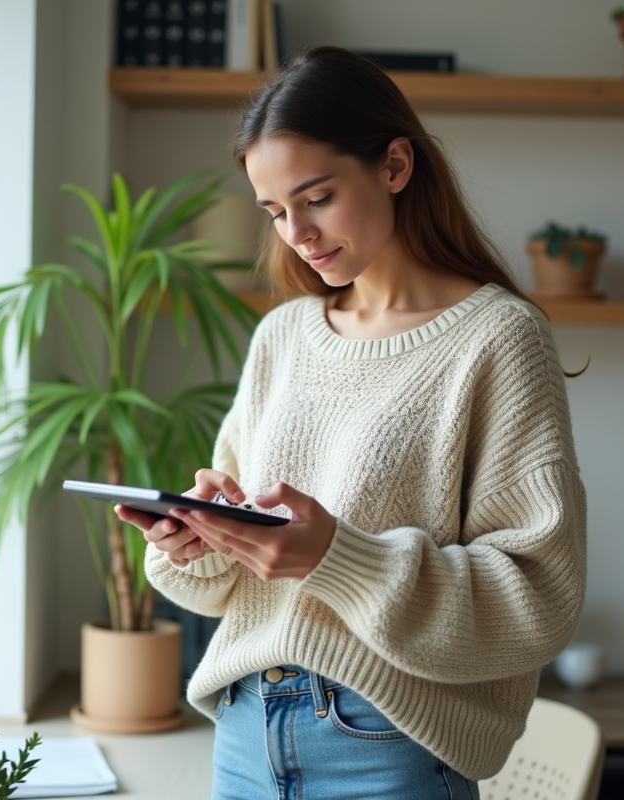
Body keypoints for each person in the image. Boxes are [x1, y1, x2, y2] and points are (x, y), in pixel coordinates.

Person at [116, 46, 587, 800]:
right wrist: (200, 537)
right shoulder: (284, 336)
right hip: (242, 727)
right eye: (274, 212)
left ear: (395, 165)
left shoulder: (498, 339)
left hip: (386, 738)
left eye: (316, 197)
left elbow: (538, 600)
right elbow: (223, 587)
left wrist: (336, 555)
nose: (296, 232)